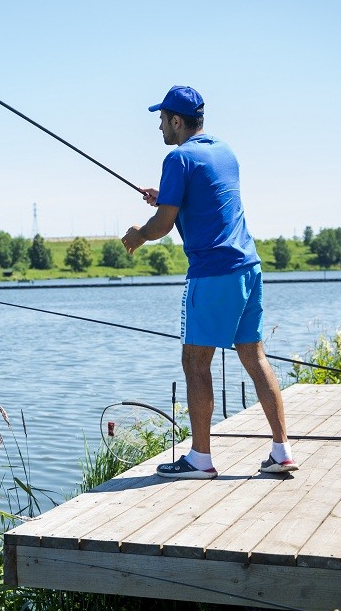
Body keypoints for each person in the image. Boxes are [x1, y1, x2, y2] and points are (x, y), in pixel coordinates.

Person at [121, 85, 298, 479]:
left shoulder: (177, 157)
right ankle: (282, 451)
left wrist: (138, 233)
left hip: (213, 273)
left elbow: (164, 225)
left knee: (195, 363)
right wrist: (165, 196)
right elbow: (205, 198)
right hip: (248, 268)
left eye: (163, 119)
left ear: (178, 121)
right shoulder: (224, 151)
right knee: (254, 357)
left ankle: (200, 459)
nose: (160, 126)